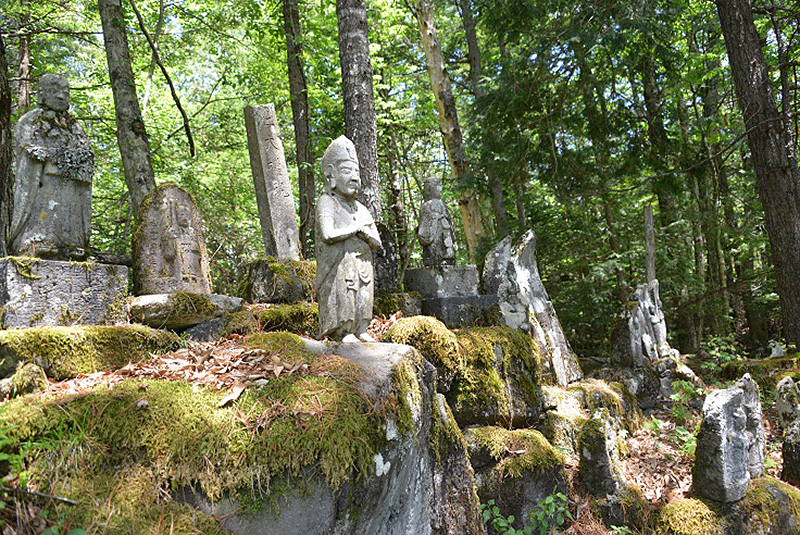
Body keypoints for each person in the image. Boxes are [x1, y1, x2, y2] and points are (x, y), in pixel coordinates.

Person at [9, 74, 94, 259]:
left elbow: (86, 154)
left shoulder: (74, 127)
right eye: (55, 91)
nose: (61, 96)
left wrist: (70, 159)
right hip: (43, 181)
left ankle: (72, 244)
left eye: (65, 92)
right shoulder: (31, 121)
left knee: (71, 205)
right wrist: (55, 157)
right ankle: (35, 241)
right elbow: (29, 149)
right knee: (42, 204)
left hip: (70, 182)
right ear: (42, 94)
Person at [315, 136, 382, 342]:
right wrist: (354, 230)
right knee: (345, 286)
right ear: (331, 176)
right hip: (339, 265)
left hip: (363, 263)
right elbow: (327, 234)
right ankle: (342, 330)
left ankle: (361, 328)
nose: (354, 177)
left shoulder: (360, 208)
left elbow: (377, 242)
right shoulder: (327, 202)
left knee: (364, 292)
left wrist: (366, 235)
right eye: (346, 171)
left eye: (356, 172)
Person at [417, 175, 455, 266]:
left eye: (441, 186)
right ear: (429, 189)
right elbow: (425, 223)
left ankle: (448, 258)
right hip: (434, 234)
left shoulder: (442, 204)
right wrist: (436, 217)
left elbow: (448, 218)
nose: (440, 189)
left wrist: (445, 218)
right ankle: (435, 259)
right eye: (437, 186)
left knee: (447, 247)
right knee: (435, 249)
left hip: (445, 232)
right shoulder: (427, 205)